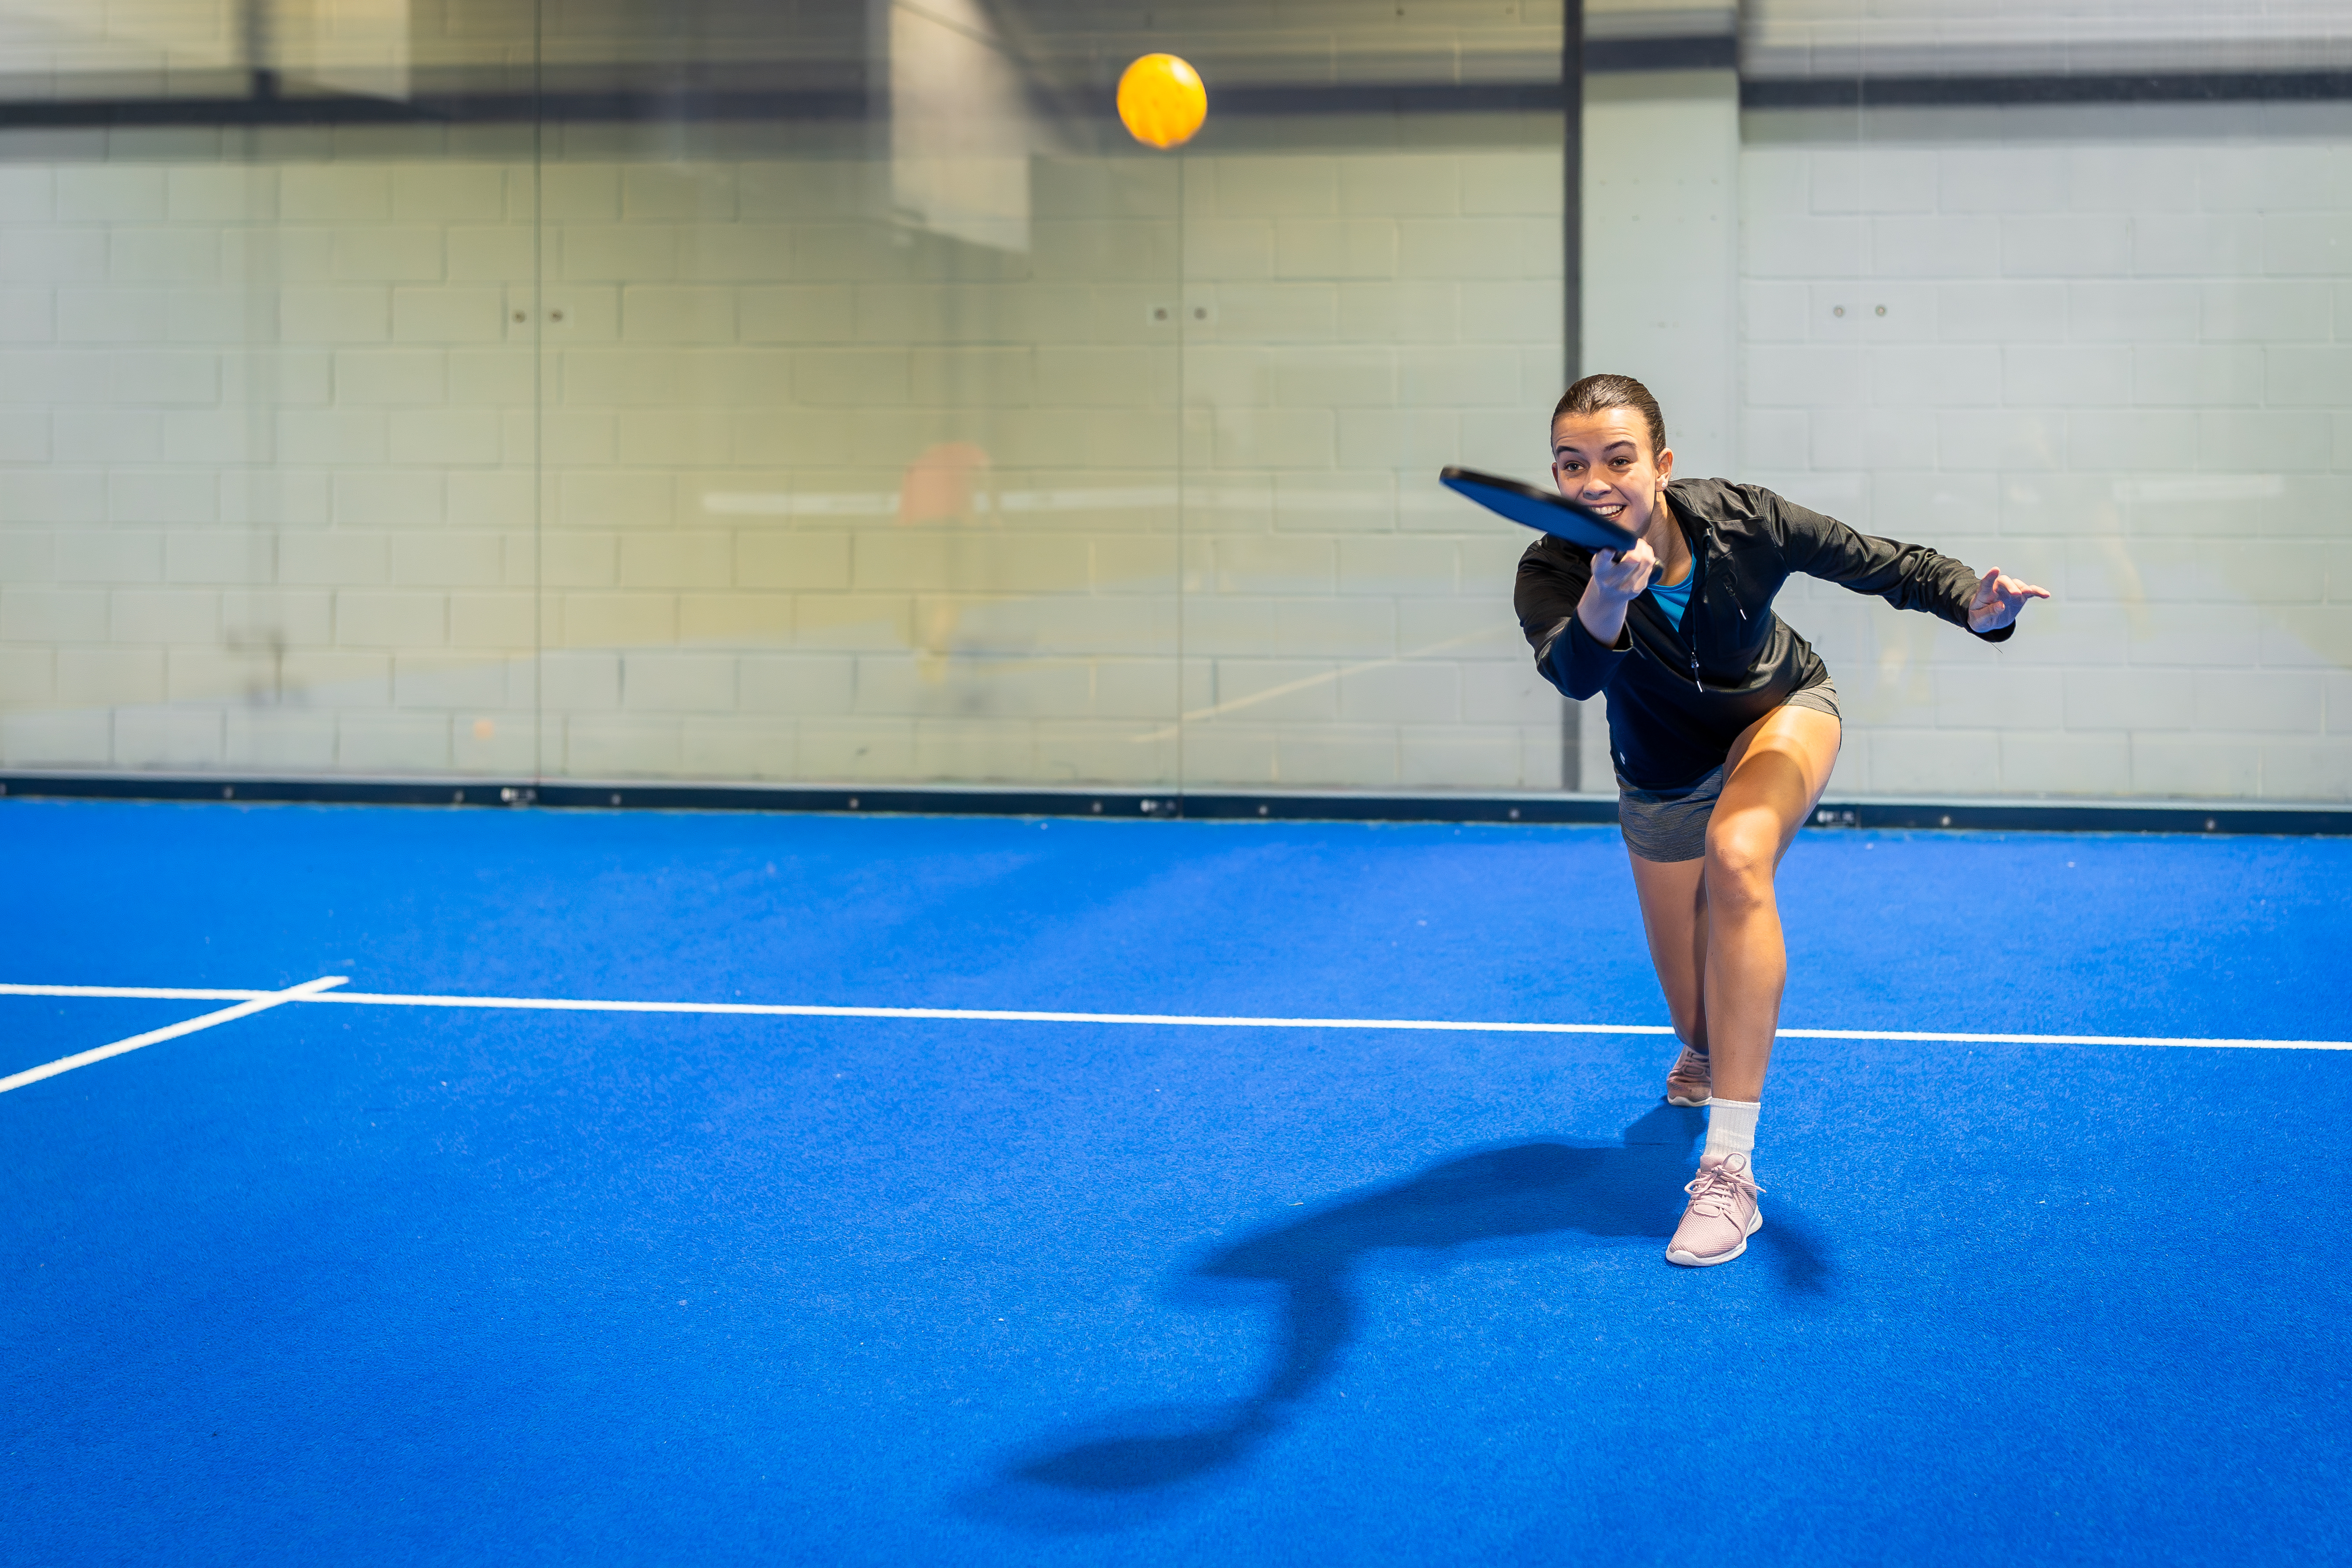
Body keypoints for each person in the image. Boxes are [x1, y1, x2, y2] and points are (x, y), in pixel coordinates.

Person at [1514, 374, 2049, 1268]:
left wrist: (1973, 603)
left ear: (1662, 463)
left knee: (1738, 854)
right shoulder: (1553, 567)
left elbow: (1882, 561)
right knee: (1697, 1025)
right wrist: (1605, 599)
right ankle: (1703, 1046)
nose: (1595, 480)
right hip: (1658, 772)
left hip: (1778, 709)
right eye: (1572, 465)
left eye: (1617, 457)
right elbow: (1571, 676)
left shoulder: (1741, 519)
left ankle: (1728, 1172)